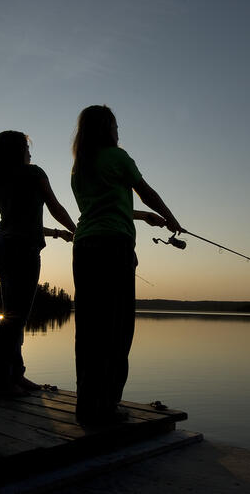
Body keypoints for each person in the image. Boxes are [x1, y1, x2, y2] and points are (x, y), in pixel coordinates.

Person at [70, 105, 182, 424]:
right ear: (107, 128)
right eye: (116, 126)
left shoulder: (80, 167)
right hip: (113, 246)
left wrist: (142, 216)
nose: (119, 132)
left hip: (85, 246)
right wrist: (171, 218)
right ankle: (107, 406)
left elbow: (102, 206)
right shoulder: (117, 156)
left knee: (90, 328)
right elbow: (144, 191)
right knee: (117, 327)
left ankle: (87, 405)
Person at [0, 130, 76, 396]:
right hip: (22, 251)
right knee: (16, 319)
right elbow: (55, 207)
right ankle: (1, 380)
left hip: (1, 248)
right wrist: (77, 230)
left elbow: (21, 220)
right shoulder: (33, 173)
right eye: (27, 147)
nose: (30, 152)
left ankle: (16, 374)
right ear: (18, 150)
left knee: (12, 314)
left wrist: (57, 233)